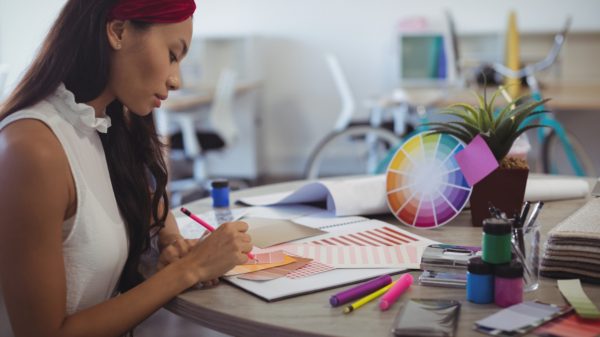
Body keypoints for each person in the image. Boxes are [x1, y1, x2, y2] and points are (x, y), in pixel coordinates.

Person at [0, 0, 254, 336]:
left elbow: (146, 201)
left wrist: (171, 241)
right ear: (118, 31)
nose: (176, 80)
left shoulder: (102, 123)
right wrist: (190, 268)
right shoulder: (33, 149)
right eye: (172, 55)